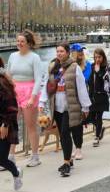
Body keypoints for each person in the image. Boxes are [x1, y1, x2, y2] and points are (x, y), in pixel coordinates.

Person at [39, 43, 91, 177]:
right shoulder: (53, 67)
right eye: (57, 51)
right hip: (57, 106)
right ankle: (69, 158)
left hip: (70, 106)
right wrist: (42, 101)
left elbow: (81, 87)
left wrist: (85, 106)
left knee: (64, 132)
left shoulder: (74, 67)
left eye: (62, 51)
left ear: (67, 52)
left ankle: (66, 162)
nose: (59, 53)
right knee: (63, 135)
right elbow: (47, 84)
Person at [7, 30, 42, 167]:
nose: (19, 43)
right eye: (18, 41)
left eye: (22, 41)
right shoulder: (12, 56)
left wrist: (33, 98)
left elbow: (39, 78)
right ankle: (10, 156)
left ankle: (35, 156)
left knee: (30, 126)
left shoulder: (34, 58)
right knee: (12, 125)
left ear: (28, 43)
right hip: (14, 92)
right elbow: (8, 75)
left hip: (29, 93)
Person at [0, 58, 23, 191]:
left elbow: (12, 107)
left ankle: (16, 173)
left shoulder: (2, 82)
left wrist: (5, 125)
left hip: (4, 125)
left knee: (1, 159)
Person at [70, 43, 91, 160]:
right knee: (70, 125)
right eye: (78, 52)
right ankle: (73, 146)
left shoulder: (87, 65)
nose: (80, 54)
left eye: (81, 52)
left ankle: (78, 147)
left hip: (81, 96)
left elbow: (86, 79)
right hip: (69, 96)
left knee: (78, 124)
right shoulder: (66, 65)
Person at [86, 48, 109, 147]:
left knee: (99, 116)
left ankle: (97, 137)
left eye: (99, 57)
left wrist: (99, 72)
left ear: (103, 57)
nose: (97, 59)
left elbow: (106, 81)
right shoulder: (91, 66)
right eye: (95, 57)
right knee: (90, 117)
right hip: (92, 96)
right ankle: (100, 129)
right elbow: (90, 81)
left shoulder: (106, 68)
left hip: (102, 96)